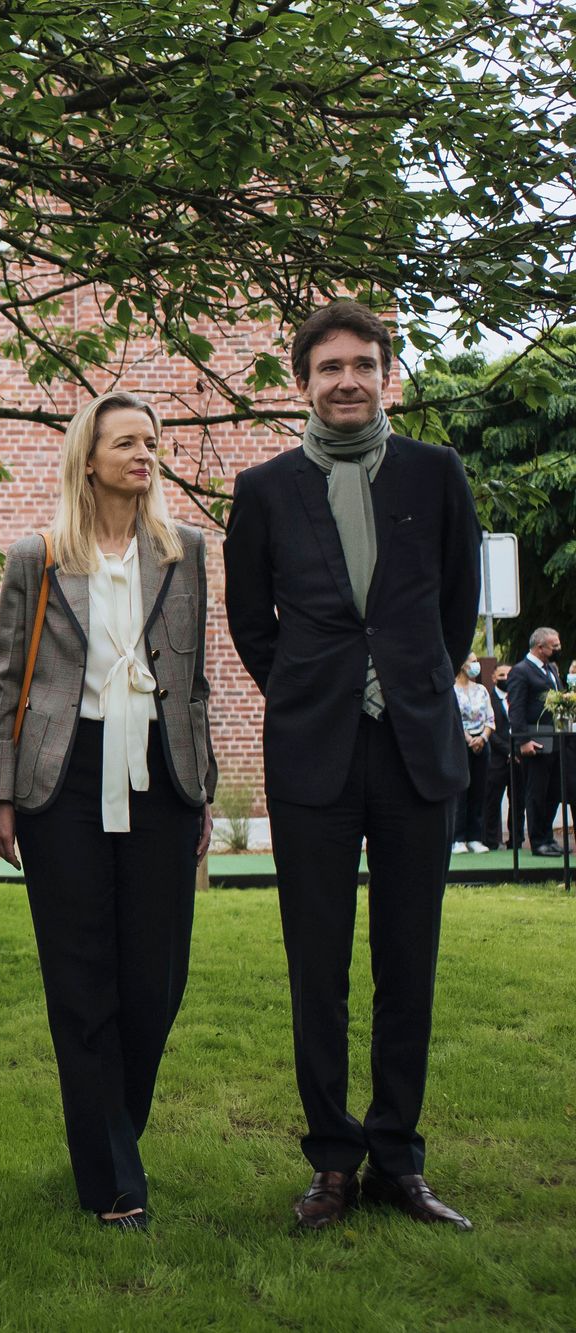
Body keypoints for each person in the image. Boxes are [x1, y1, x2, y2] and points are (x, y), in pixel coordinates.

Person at [226, 299, 479, 1231]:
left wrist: (405, 682)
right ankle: (333, 1161)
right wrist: (311, 690)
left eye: (363, 365)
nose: (347, 381)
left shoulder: (436, 473)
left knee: (408, 960)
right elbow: (253, 623)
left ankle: (399, 1160)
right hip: (313, 754)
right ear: (302, 381)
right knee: (317, 965)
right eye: (328, 366)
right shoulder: (263, 488)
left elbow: (456, 604)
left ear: (388, 375)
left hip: (416, 750)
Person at [0, 392, 215, 1230]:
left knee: (156, 980)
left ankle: (114, 1133)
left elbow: (196, 682)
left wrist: (205, 788)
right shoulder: (37, 556)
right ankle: (114, 1178)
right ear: (89, 457)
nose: (145, 453)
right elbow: (6, 679)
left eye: (152, 440)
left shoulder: (186, 551)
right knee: (81, 981)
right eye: (127, 442)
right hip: (62, 781)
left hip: (161, 778)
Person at [506, 627, 564, 855]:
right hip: (535, 742)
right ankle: (538, 840)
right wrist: (523, 741)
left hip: (554, 739)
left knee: (553, 792)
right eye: (554, 646)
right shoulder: (521, 671)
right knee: (536, 792)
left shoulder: (550, 669)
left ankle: (548, 837)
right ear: (540, 648)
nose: (558, 649)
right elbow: (516, 708)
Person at [451, 662, 494, 854]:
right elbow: (453, 718)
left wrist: (482, 738)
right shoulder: (452, 690)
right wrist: (468, 739)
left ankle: (475, 837)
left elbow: (490, 718)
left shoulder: (482, 690)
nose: (476, 665)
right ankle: (458, 839)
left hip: (482, 743)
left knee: (479, 789)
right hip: (461, 744)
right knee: (461, 791)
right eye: (472, 661)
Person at [483, 662, 514, 850]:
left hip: (518, 758)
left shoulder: (518, 698)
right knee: (492, 801)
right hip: (496, 759)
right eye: (501, 676)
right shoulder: (489, 699)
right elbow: (490, 729)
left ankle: (516, 840)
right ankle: (491, 840)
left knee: (518, 802)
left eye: (509, 675)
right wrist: (507, 750)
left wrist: (517, 750)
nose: (506, 679)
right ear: (494, 678)